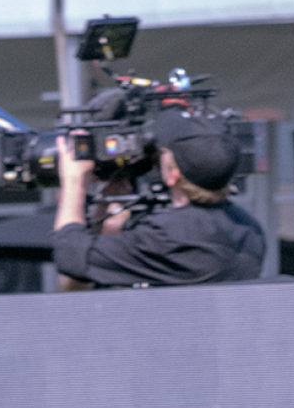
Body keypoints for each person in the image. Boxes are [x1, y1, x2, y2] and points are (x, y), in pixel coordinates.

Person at [52, 112, 264, 287]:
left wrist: (73, 181)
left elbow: (69, 254)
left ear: (172, 176)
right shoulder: (249, 229)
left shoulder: (167, 237)